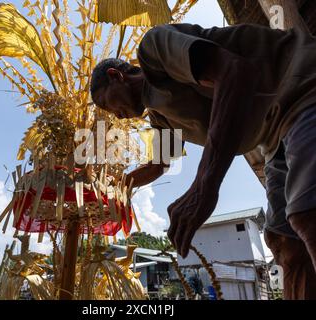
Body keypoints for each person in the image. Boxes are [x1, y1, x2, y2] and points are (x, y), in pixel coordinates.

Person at [90, 23, 316, 299]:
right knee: (285, 243)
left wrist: (204, 185)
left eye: (107, 105)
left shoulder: (154, 51)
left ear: (116, 76)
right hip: (274, 138)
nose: (116, 116)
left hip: (302, 86)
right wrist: (110, 188)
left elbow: (234, 72)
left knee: (307, 214)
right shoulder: (160, 118)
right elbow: (158, 166)